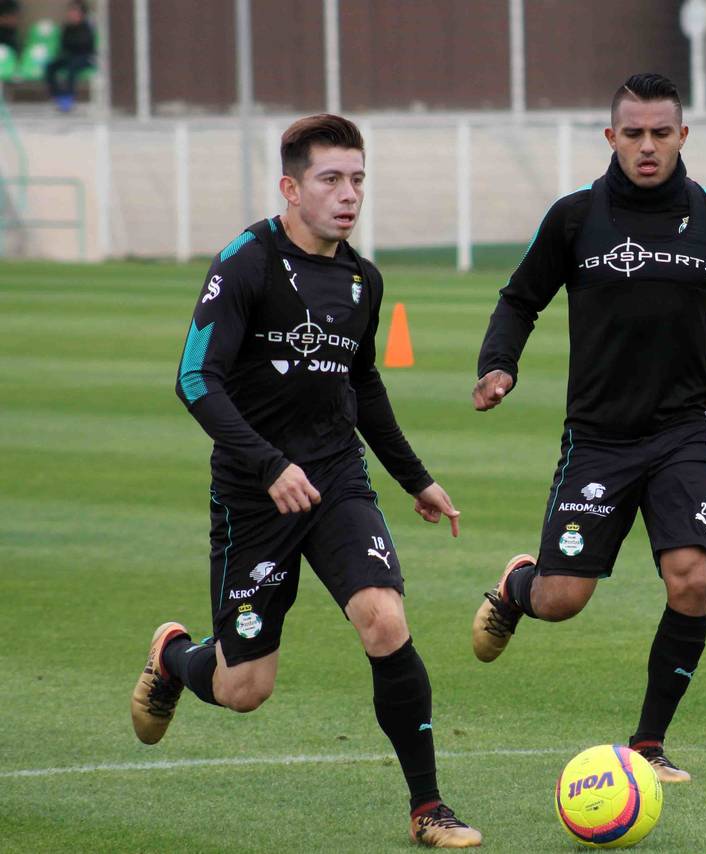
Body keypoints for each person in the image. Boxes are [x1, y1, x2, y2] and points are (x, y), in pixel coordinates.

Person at [131, 114, 481, 849]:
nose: (348, 195)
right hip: (253, 497)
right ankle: (174, 657)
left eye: (357, 179)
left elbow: (363, 383)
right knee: (244, 689)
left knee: (384, 619)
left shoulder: (362, 279)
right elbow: (195, 379)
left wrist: (415, 478)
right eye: (330, 180)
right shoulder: (246, 262)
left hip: (336, 480)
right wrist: (268, 464)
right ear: (291, 188)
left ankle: (428, 808)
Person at [470, 73, 706, 783]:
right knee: (562, 600)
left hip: (682, 435)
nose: (647, 146)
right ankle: (518, 588)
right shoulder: (574, 218)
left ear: (683, 136)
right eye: (634, 133)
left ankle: (648, 744)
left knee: (693, 581)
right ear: (611, 137)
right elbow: (520, 300)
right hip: (598, 440)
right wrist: (499, 365)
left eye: (661, 133)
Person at [44, 1, 94, 112]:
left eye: (75, 12)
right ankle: (57, 96)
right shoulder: (67, 28)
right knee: (50, 66)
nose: (72, 14)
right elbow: (63, 44)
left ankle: (68, 98)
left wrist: (72, 46)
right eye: (71, 11)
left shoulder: (87, 28)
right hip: (69, 56)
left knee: (71, 70)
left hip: (83, 57)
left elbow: (85, 45)